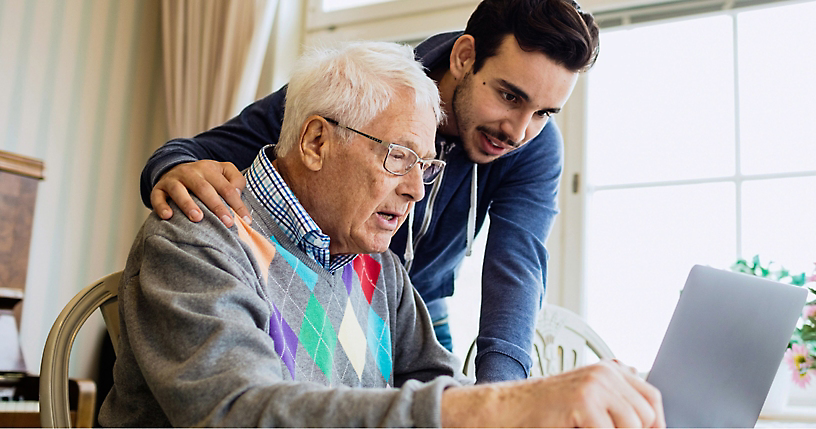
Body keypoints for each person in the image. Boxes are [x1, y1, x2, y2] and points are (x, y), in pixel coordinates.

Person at [100, 41, 662, 428]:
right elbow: (242, 414)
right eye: (397, 158)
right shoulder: (197, 240)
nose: (418, 192)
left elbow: (500, 296)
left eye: (426, 164)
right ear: (316, 143)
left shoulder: (380, 266)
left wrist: (521, 405)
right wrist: (495, 410)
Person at [138, 0, 598, 383]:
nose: (519, 132)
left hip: (404, 301)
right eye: (510, 96)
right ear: (464, 58)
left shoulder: (531, 146)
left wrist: (504, 396)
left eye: (544, 113)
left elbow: (517, 267)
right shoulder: (366, 92)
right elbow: (206, 150)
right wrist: (175, 169)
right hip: (316, 281)